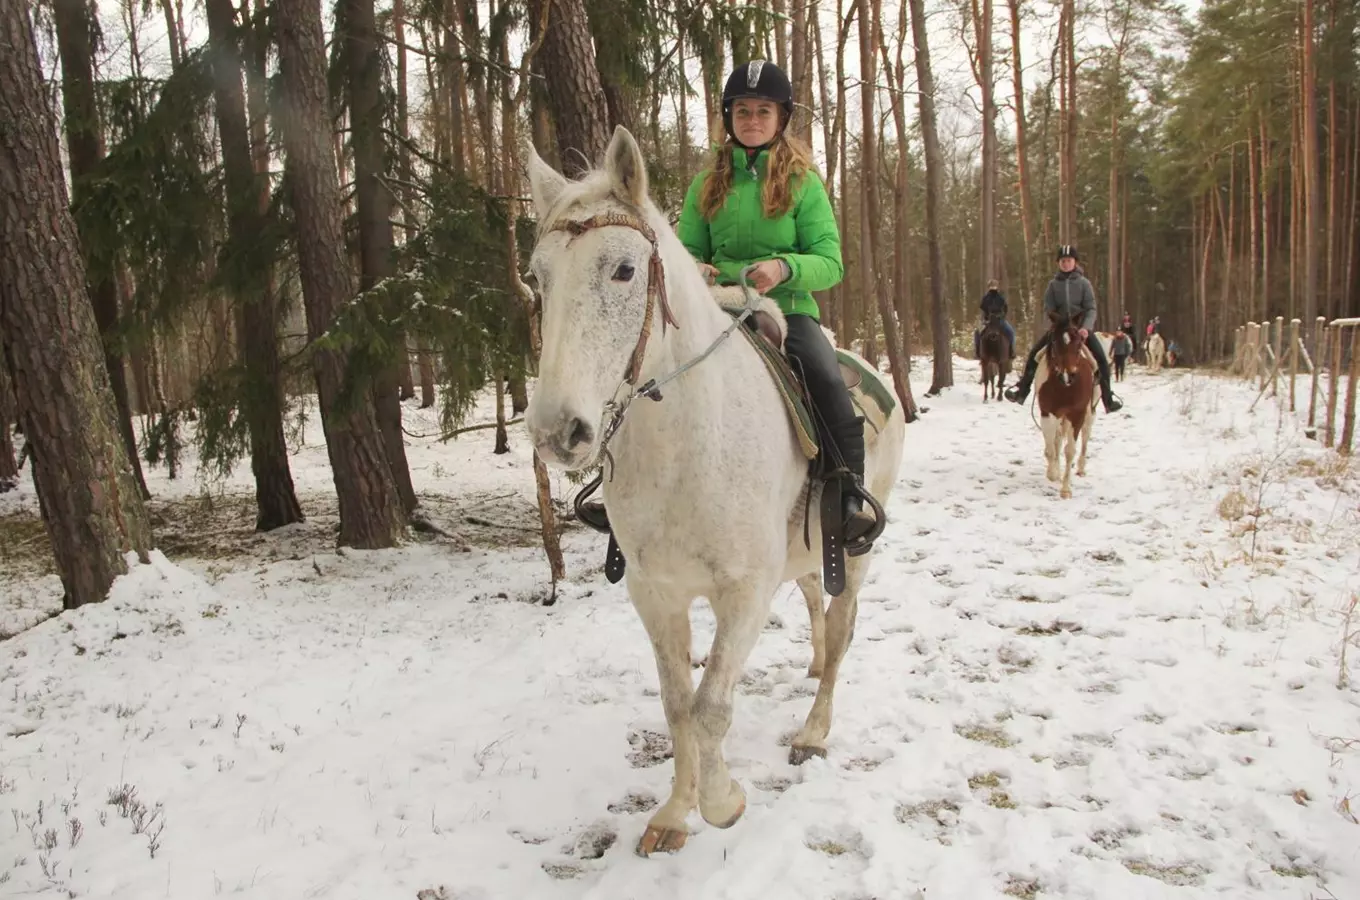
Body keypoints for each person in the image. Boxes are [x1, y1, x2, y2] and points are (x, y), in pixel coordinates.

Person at [584, 60, 879, 547]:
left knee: (824, 376)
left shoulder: (804, 183)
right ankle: (611, 482)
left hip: (786, 308)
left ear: (781, 118)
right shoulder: (706, 184)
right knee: (646, 367)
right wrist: (695, 268)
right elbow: (683, 251)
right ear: (729, 116)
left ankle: (848, 494)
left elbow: (831, 261)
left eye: (763, 111)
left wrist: (784, 268)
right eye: (742, 110)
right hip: (714, 306)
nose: (752, 119)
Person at [1004, 245, 1123, 413]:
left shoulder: (1084, 283)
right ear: (1058, 263)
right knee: (1034, 355)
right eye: (1063, 261)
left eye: (1069, 261)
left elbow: (1091, 308)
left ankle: (1107, 400)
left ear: (1075, 262)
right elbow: (1048, 308)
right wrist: (1054, 322)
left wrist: (1085, 328)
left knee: (1101, 360)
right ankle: (1022, 391)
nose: (1066, 264)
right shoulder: (1053, 285)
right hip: (1059, 329)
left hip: (1080, 329)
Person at [974, 279, 1015, 359]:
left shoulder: (1000, 298)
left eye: (994, 286)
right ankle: (978, 352)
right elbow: (983, 309)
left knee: (1011, 332)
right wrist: (985, 318)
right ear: (989, 287)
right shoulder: (985, 298)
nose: (993, 288)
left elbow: (1005, 309)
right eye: (991, 286)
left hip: (999, 321)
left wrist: (1001, 316)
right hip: (988, 321)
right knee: (977, 333)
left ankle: (1011, 351)